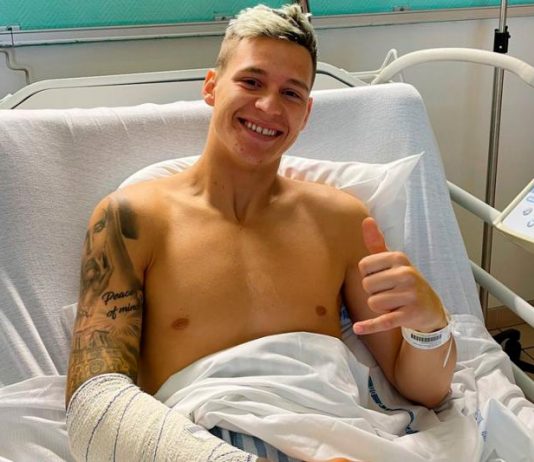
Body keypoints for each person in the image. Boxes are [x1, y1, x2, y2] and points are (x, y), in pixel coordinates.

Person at [65, 4, 457, 462]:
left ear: (306, 113)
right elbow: (94, 404)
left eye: (291, 93)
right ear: (211, 87)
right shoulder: (131, 219)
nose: (269, 107)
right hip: (203, 442)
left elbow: (424, 392)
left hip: (343, 436)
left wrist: (430, 327)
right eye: (251, 82)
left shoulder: (343, 220)